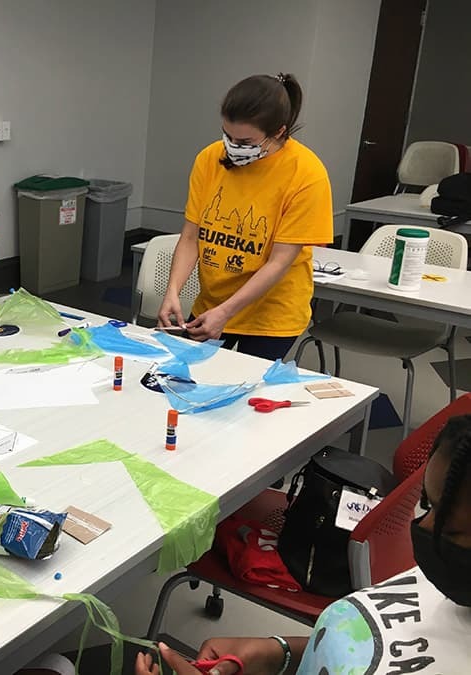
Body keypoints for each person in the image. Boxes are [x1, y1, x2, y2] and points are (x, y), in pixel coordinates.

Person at [136, 413, 471, 675]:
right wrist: (279, 654)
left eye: (449, 526)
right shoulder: (451, 587)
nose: (423, 527)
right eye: (429, 506)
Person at [157, 73, 333, 361]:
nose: (233, 146)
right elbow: (191, 237)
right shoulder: (209, 159)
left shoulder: (307, 174)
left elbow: (279, 262)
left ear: (278, 132)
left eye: (245, 140)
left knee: (244, 397)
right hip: (212, 303)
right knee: (181, 380)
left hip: (271, 316)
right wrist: (173, 290)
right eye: (228, 135)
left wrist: (226, 312)